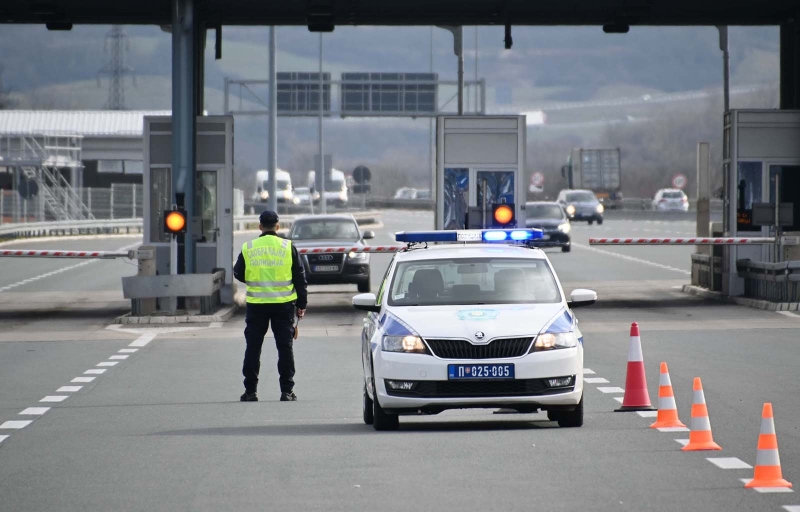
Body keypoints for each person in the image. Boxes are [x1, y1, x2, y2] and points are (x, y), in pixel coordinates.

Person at [233, 210, 307, 402]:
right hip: (283, 306)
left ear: (259, 227)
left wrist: (255, 278)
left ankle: (250, 391)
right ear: (278, 226)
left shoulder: (249, 247)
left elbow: (238, 273)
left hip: (257, 305)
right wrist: (301, 304)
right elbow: (299, 277)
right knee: (285, 348)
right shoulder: (287, 246)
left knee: (253, 347)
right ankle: (287, 391)